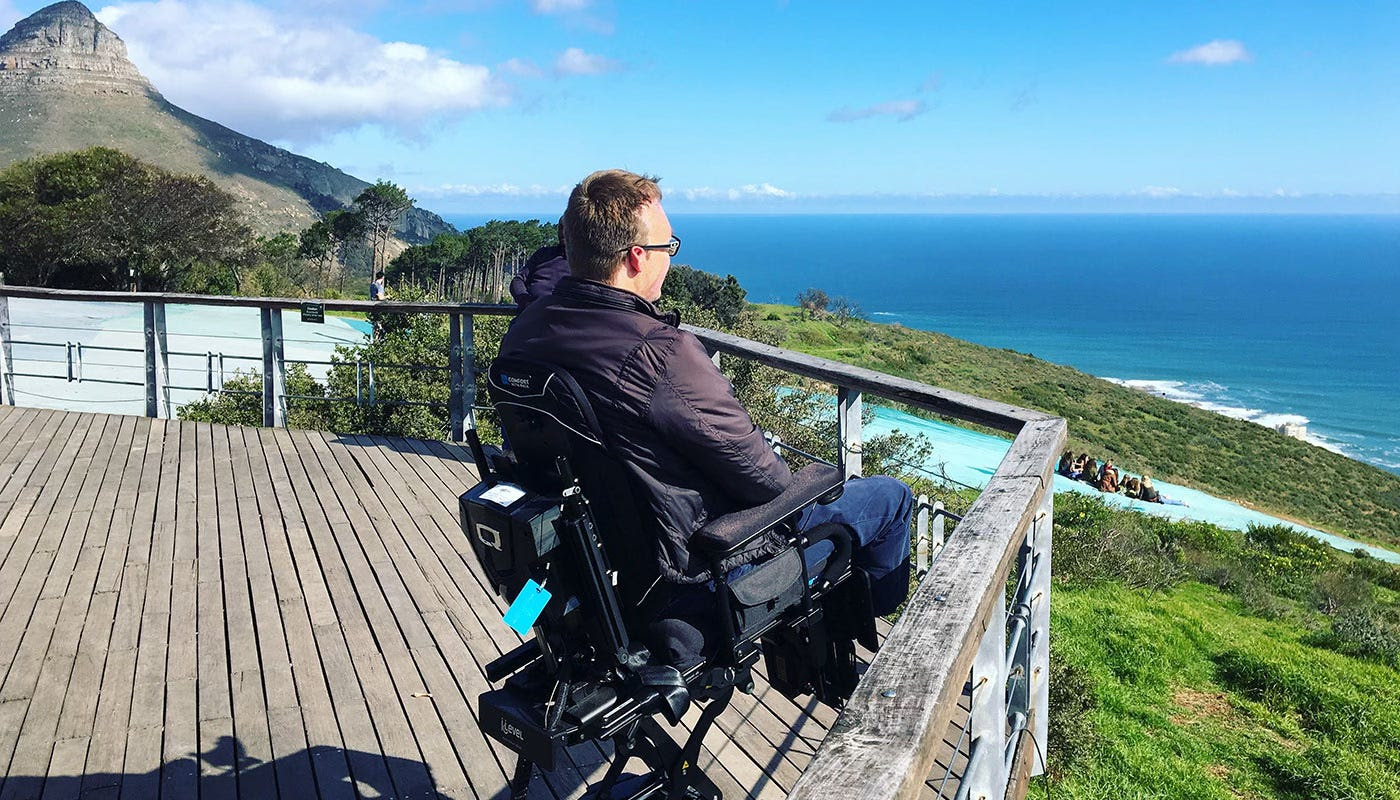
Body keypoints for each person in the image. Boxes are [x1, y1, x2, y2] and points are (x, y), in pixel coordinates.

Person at [498, 169, 912, 661]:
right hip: (696, 572)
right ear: (635, 258)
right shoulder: (659, 354)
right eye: (667, 247)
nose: (670, 260)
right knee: (890, 498)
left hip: (603, 569)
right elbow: (768, 483)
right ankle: (881, 656)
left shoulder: (524, 335)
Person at [508, 218, 570, 312]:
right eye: (560, 227)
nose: (562, 232)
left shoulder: (582, 261)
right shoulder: (542, 254)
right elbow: (518, 280)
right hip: (530, 314)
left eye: (567, 228)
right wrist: (525, 301)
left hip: (561, 317)